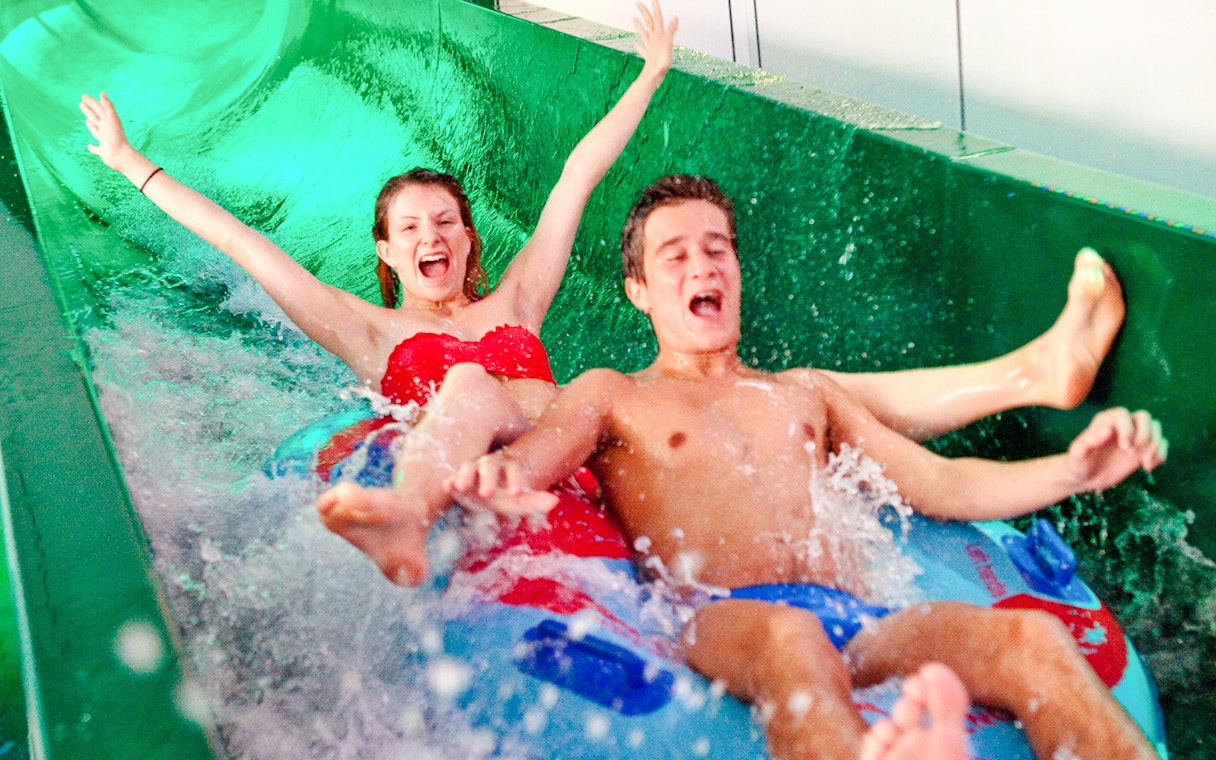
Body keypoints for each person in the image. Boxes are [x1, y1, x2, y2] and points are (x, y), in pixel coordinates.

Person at [83, 1, 1126, 589]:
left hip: (568, 440)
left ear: (469, 238)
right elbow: (248, 247)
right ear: (387, 254)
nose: (435, 237)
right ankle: (1033, 370)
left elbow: (578, 177)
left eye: (446, 220)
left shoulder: (517, 310)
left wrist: (646, 73)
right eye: (413, 230)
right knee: (493, 397)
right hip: (476, 444)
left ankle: (1035, 370)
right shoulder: (365, 326)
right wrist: (132, 165)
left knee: (799, 388)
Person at [442, 175, 1165, 759]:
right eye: (675, 255)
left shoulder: (805, 393)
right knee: (795, 641)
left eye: (717, 247)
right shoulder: (614, 393)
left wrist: (1072, 470)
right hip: (721, 619)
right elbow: (533, 462)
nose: (703, 264)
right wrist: (497, 479)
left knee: (1032, 642)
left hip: (862, 619)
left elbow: (940, 483)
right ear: (639, 291)